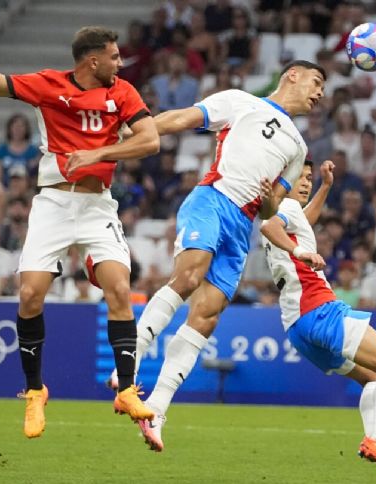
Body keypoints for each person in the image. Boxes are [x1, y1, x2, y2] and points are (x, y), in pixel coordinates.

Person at [0, 23, 161, 437]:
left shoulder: (122, 92)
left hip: (97, 205)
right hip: (53, 204)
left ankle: (126, 389)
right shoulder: (47, 85)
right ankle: (35, 391)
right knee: (31, 294)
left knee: (121, 290)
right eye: (113, 56)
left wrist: (100, 152)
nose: (119, 62)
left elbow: (150, 140)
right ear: (93, 60)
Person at [112, 61, 326, 446]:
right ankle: (133, 354)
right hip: (213, 200)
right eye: (316, 82)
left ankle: (157, 409)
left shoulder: (298, 147)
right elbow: (182, 118)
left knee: (206, 317)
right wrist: (138, 129)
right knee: (190, 275)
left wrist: (268, 198)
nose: (320, 92)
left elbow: (272, 208)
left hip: (242, 224)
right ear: (292, 75)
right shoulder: (241, 101)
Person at [258, 159, 376, 476]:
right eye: (298, 176)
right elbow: (270, 227)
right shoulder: (283, 210)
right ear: (282, 181)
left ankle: (375, 441)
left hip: (297, 326)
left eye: (309, 178)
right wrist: (300, 253)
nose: (305, 182)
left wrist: (326, 187)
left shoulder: (287, 212)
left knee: (371, 378)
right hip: (319, 309)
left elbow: (298, 221)